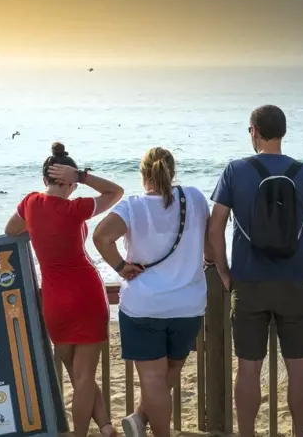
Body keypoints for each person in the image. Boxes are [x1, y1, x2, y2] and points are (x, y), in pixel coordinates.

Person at [208, 105, 303, 437]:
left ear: (254, 132)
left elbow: (215, 227)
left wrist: (224, 271)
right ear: (283, 133)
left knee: (248, 369)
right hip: (293, 283)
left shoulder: (235, 171)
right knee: (299, 367)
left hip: (248, 282)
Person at [4, 142, 123, 437]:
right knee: (84, 378)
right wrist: (82, 176)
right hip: (86, 294)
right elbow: (115, 192)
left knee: (77, 376)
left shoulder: (30, 203)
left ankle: (106, 427)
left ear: (44, 179)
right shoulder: (76, 208)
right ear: (68, 181)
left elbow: (11, 230)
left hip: (54, 299)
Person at [93, 147, 211, 437]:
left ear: (143, 173)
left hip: (143, 305)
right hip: (188, 305)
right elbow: (207, 240)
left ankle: (151, 424)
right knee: (168, 374)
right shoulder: (194, 197)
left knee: (154, 379)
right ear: (172, 171)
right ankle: (139, 420)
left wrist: (121, 267)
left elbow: (100, 236)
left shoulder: (132, 206)